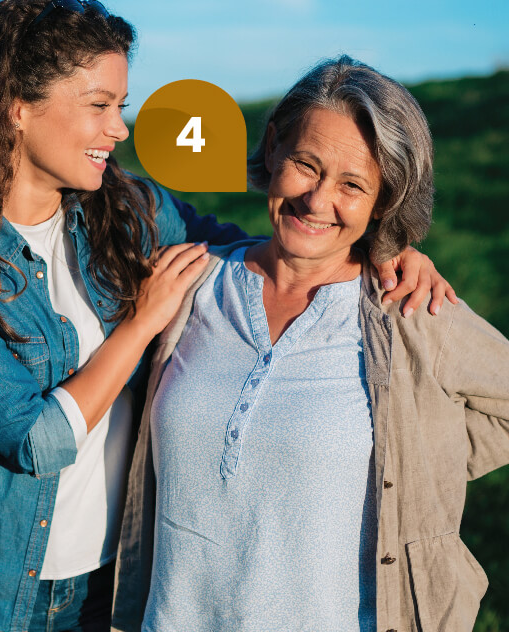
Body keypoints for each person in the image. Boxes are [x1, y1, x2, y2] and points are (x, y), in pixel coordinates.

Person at [0, 1, 448, 628]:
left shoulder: (125, 211)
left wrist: (389, 250)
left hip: (111, 580)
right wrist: (142, 323)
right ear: (16, 107)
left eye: (120, 107)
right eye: (99, 105)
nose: (119, 129)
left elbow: (261, 246)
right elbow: (36, 440)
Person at [112, 56, 509, 632]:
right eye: (305, 164)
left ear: (384, 201)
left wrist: (419, 452)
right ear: (272, 148)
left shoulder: (410, 310)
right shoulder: (191, 285)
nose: (318, 200)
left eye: (353, 185)